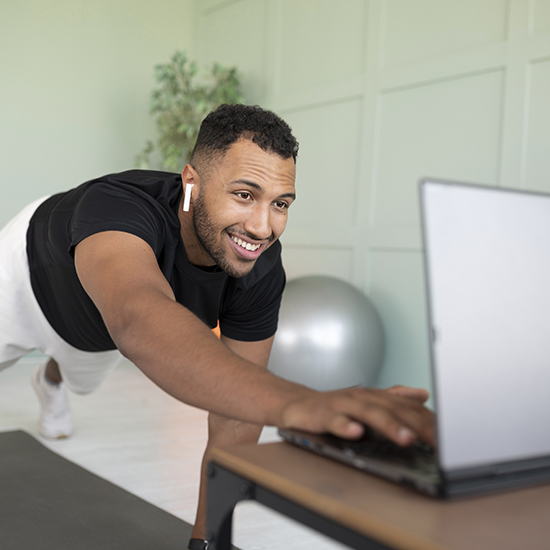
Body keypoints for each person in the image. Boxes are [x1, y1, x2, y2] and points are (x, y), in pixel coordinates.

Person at [0, 104, 434, 549]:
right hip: (23, 280)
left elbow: (235, 421)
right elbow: (135, 315)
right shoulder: (118, 205)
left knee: (80, 378)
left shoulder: (260, 271)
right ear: (192, 182)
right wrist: (299, 403)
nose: (262, 227)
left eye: (280, 204)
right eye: (245, 195)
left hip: (92, 333)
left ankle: (51, 377)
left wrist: (206, 542)